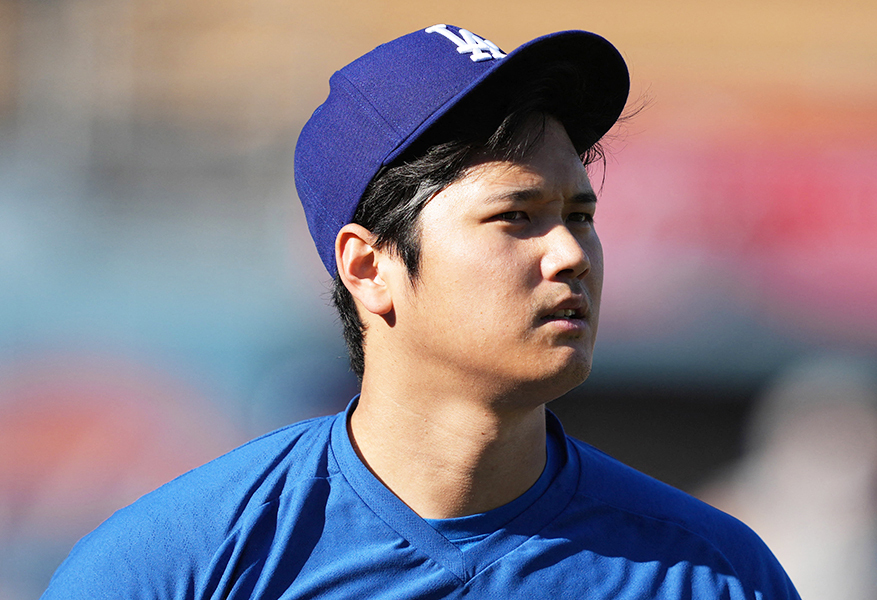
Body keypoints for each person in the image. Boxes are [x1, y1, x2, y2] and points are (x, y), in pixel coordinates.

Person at [42, 24, 800, 599]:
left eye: (579, 214)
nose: (569, 253)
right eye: (517, 217)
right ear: (369, 268)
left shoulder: (713, 574)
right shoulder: (184, 565)